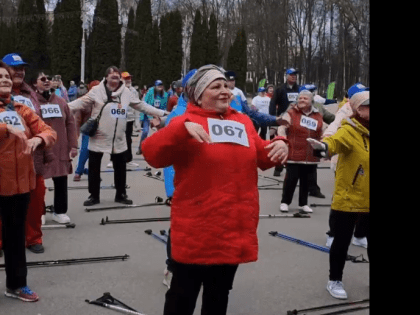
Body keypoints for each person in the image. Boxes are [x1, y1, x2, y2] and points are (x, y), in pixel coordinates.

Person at [142, 64, 289, 315]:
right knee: (182, 295)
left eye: (226, 85)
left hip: (234, 225)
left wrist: (280, 146)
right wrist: (179, 128)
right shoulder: (185, 121)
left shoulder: (242, 120)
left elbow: (262, 156)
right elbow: (152, 154)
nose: (225, 91)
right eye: (216, 86)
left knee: (219, 295)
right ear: (198, 94)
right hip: (197, 228)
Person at [68, 66, 169, 206]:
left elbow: (141, 105)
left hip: (118, 138)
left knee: (120, 168)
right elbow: (80, 102)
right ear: (106, 77)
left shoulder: (126, 92)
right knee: (94, 168)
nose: (114, 77)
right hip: (98, 136)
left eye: (117, 75)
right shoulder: (96, 91)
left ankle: (121, 194)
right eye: (111, 75)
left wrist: (162, 113)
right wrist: (63, 107)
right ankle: (93, 195)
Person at [0, 60, 57, 302]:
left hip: (21, 185)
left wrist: (40, 139)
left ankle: (16, 284)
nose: (4, 79)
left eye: (6, 76)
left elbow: (48, 130)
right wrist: (5, 129)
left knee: (15, 239)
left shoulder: (21, 108)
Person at [307, 90, 369, 300]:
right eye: (367, 106)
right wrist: (323, 148)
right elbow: (333, 143)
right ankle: (334, 280)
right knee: (341, 242)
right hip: (349, 196)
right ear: (357, 109)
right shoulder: (348, 130)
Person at [161, 69, 197, 289]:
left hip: (205, 185)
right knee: (180, 228)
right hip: (183, 186)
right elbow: (168, 159)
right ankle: (172, 266)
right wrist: (172, 191)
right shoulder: (177, 115)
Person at [323, 83, 369, 249]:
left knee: (366, 200)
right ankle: (333, 233)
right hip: (345, 164)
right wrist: (325, 144)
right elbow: (333, 128)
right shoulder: (345, 111)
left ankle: (360, 234)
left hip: (365, 163)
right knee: (342, 200)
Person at [30, 70, 78, 224]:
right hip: (40, 149)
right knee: (39, 182)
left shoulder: (61, 102)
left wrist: (73, 145)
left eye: (48, 78)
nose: (46, 81)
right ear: (34, 83)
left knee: (61, 180)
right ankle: (40, 211)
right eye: (42, 78)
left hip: (60, 147)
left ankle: (60, 211)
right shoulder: (31, 102)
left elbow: (70, 124)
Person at [277, 89, 327, 214]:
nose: (301, 100)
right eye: (300, 98)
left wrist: (324, 143)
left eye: (305, 98)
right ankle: (285, 202)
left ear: (311, 101)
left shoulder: (317, 115)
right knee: (291, 179)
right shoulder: (291, 113)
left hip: (310, 154)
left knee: (307, 180)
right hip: (294, 151)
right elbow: (282, 127)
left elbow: (323, 131)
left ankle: (303, 203)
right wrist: (282, 140)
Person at [298, 84, 336, 199]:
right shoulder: (294, 107)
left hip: (314, 140)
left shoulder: (318, 106)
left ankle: (313, 189)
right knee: (295, 168)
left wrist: (340, 123)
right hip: (298, 141)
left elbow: (330, 118)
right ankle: (289, 193)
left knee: (312, 165)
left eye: (311, 93)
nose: (311, 95)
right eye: (308, 93)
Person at [269, 68, 300, 176]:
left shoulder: (299, 89)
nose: (294, 76)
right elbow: (272, 104)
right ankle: (278, 167)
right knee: (282, 143)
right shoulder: (280, 89)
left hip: (296, 121)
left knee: (294, 144)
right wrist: (273, 121)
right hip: (283, 120)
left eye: (295, 75)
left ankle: (292, 168)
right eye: (291, 75)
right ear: (286, 76)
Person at [73, 80, 101, 181]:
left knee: (97, 153)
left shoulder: (104, 100)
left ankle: (92, 172)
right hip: (88, 129)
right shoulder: (85, 100)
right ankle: (78, 171)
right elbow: (77, 120)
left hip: (101, 130)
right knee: (85, 150)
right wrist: (75, 138)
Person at [136, 80, 168, 155]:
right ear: (155, 86)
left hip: (158, 115)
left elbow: (164, 107)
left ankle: (159, 150)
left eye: (161, 85)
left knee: (160, 132)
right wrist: (150, 117)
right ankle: (140, 148)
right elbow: (145, 105)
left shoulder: (165, 95)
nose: (160, 87)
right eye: (158, 85)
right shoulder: (150, 93)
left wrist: (160, 116)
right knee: (145, 131)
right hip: (147, 115)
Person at [120, 71, 139, 167]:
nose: (128, 80)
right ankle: (112, 159)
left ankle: (128, 159)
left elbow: (137, 106)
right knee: (117, 139)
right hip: (119, 119)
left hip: (129, 119)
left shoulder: (134, 91)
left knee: (128, 139)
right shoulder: (118, 90)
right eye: (126, 78)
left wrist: (137, 122)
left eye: (129, 78)